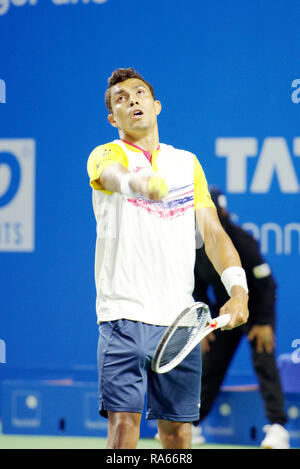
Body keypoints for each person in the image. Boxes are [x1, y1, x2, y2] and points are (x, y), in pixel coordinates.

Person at [87, 68, 249, 449]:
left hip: (179, 323)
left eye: (140, 93)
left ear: (156, 106)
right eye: (122, 99)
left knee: (177, 434)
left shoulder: (186, 164)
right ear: (114, 119)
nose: (133, 101)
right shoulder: (107, 155)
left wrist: (238, 290)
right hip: (123, 316)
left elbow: (213, 233)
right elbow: (111, 175)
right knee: (124, 428)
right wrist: (138, 183)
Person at [192, 186, 290, 449]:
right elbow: (198, 289)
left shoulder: (242, 241)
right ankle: (193, 425)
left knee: (263, 359)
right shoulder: (197, 248)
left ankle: (278, 428)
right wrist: (202, 324)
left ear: (222, 212)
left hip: (256, 309)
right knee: (210, 362)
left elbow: (266, 285)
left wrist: (264, 323)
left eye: (211, 212)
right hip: (225, 311)